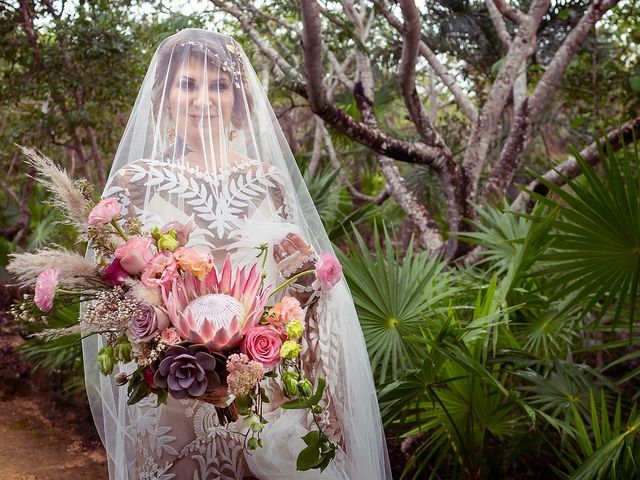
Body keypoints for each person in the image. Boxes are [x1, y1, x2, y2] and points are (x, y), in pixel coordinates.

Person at [82, 28, 391, 480]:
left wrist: (305, 279)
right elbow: (108, 296)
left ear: (238, 99)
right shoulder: (135, 182)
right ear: (165, 95)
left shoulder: (269, 181)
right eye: (187, 84)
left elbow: (301, 297)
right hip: (173, 391)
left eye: (219, 85)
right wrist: (159, 344)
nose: (203, 99)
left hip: (263, 393)